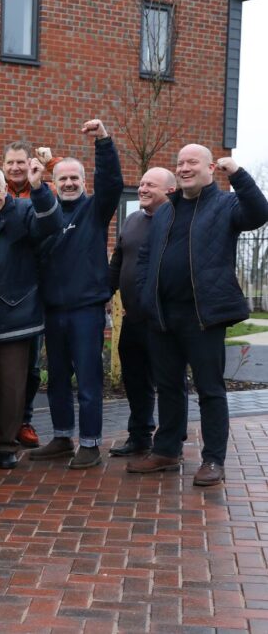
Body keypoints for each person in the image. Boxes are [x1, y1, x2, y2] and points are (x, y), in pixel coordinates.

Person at [129, 149, 268, 485]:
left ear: (210, 168)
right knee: (169, 386)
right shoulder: (167, 210)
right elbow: (147, 256)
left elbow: (259, 213)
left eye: (193, 162)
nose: (185, 168)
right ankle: (166, 450)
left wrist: (237, 174)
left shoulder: (225, 205)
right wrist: (147, 295)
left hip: (202, 315)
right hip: (164, 315)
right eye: (181, 163)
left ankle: (213, 460)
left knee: (210, 389)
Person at [29, 119, 124, 470]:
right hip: (52, 310)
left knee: (87, 380)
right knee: (55, 380)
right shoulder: (42, 213)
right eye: (63, 179)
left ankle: (90, 444)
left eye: (75, 179)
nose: (69, 184)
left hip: (85, 309)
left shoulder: (95, 210)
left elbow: (112, 180)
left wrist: (103, 142)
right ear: (54, 183)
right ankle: (61, 437)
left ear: (84, 183)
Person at [0, 161, 61, 469]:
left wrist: (39, 189)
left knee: (11, 386)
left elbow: (51, 224)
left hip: (16, 314)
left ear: (5, 190)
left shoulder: (23, 211)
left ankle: (7, 445)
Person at [107, 167, 179, 457]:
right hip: (133, 318)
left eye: (151, 185)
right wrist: (104, 293)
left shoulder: (176, 222)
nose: (143, 189)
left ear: (170, 191)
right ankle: (139, 436)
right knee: (135, 380)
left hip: (163, 319)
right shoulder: (133, 220)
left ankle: (170, 440)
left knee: (168, 382)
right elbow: (118, 259)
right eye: (142, 184)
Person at [2, 140, 57, 450]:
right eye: (10, 163)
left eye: (20, 162)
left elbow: (75, 184)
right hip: (1, 287)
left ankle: (23, 420)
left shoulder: (44, 190)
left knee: (31, 365)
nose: (15, 168)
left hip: (36, 288)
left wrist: (49, 166)